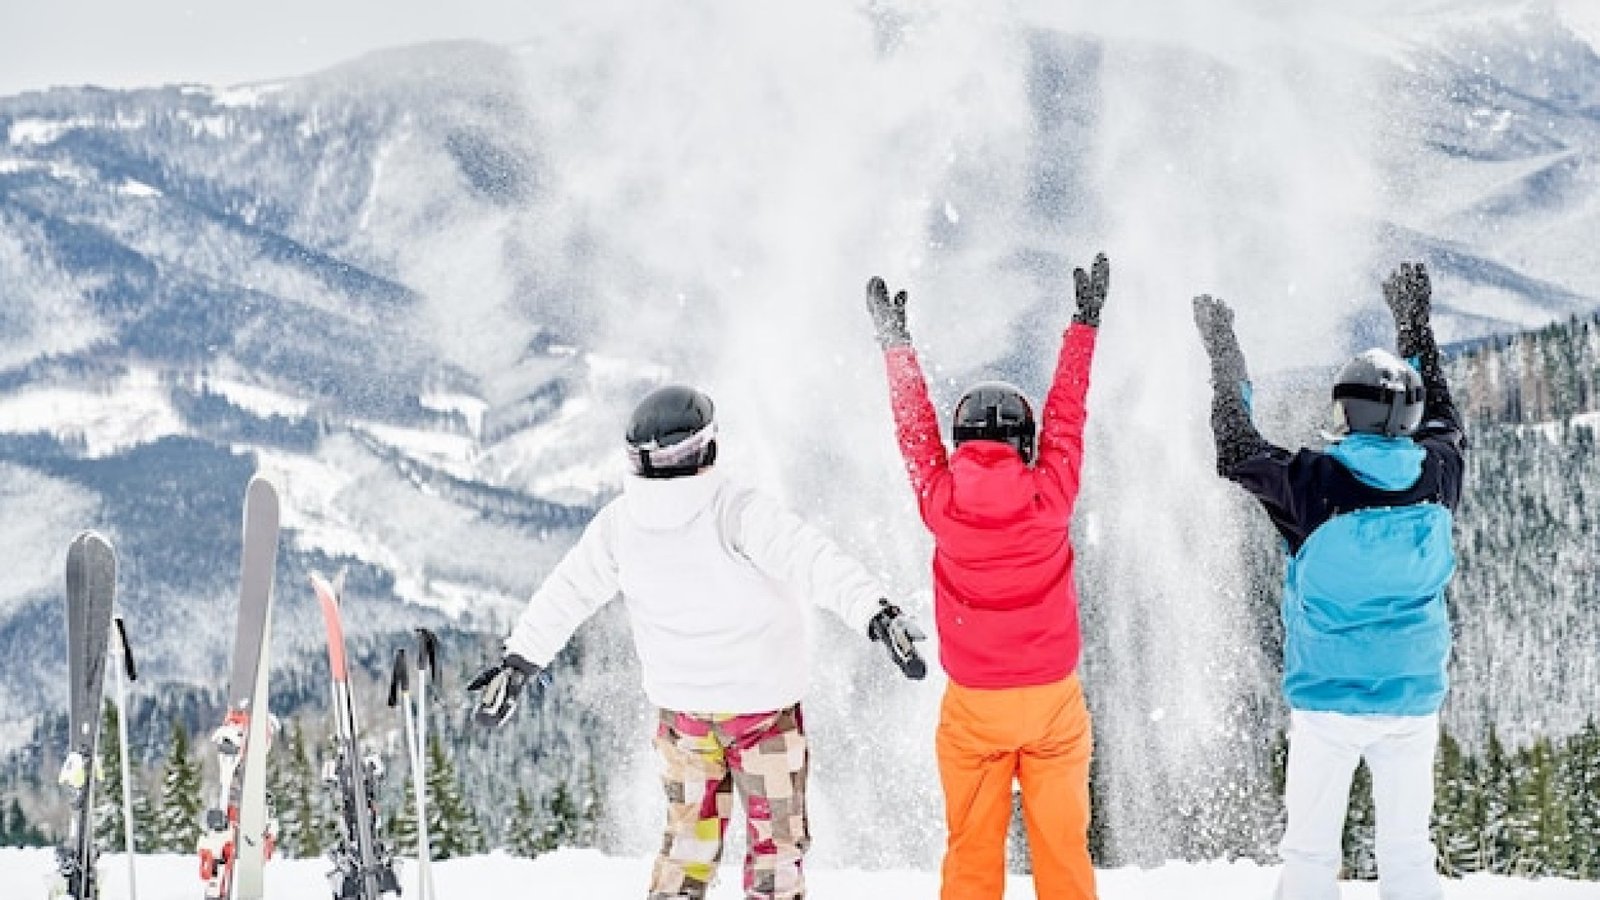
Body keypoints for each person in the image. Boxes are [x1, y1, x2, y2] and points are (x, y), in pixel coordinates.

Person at [467, 383, 928, 900]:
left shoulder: (620, 524)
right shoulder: (737, 512)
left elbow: (566, 593)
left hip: (684, 720)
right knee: (775, 850)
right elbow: (816, 561)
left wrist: (520, 662)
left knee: (688, 846)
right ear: (708, 446)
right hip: (762, 717)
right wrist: (878, 614)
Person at [1191, 262, 1466, 900]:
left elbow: (1235, 449)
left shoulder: (1312, 484)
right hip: (1411, 696)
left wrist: (1225, 355)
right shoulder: (1439, 475)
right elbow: (1445, 417)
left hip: (1326, 700)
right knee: (1407, 853)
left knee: (1311, 854)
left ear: (1346, 410)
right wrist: (1414, 326)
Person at [864, 254, 1109, 900]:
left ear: (961, 440)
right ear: (1024, 444)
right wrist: (1083, 327)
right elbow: (1068, 415)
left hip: (976, 705)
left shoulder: (940, 502)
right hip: (1053, 702)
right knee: (1063, 855)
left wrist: (896, 347)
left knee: (971, 855)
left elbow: (913, 433)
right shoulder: (1050, 495)